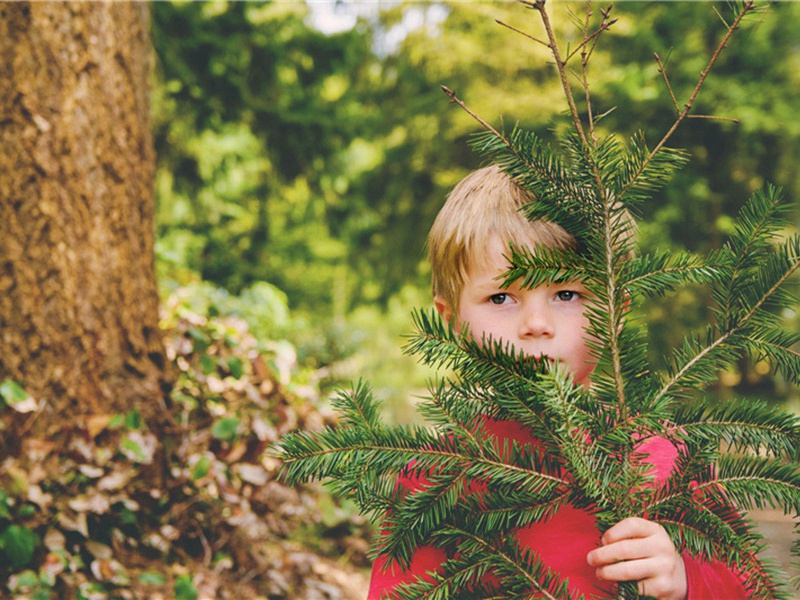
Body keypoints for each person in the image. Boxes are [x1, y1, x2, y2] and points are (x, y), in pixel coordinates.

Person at [367, 165, 747, 599]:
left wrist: (683, 581)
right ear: (450, 319)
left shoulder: (670, 458)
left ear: (613, 312)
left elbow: (748, 585)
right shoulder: (437, 475)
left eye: (566, 294)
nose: (536, 324)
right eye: (501, 298)